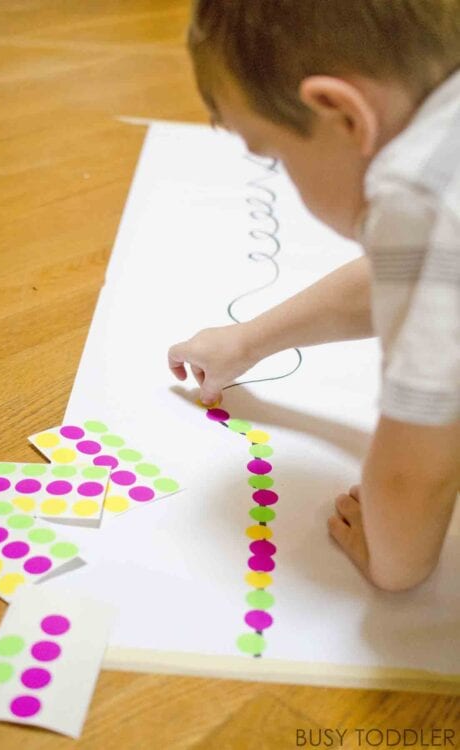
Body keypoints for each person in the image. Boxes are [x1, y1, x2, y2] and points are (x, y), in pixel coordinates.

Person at [168, 1, 460, 592]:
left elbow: (417, 471)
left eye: (275, 156)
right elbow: (403, 276)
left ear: (343, 116)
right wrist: (250, 340)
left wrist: (394, 564)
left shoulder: (421, 200)